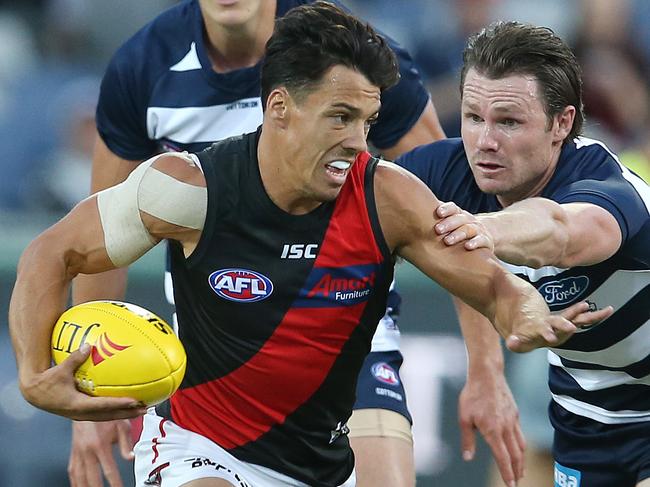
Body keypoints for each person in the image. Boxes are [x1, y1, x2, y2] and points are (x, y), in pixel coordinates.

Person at [9, 4, 580, 487]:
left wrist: (523, 315)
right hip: (200, 447)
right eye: (340, 118)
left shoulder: (389, 196)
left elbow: (493, 286)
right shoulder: (187, 189)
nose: (359, 142)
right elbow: (51, 253)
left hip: (324, 458)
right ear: (279, 107)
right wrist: (37, 375)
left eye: (366, 121)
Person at [396, 20, 649, 487]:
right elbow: (349, 205)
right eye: (473, 118)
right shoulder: (448, 173)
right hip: (585, 417)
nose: (485, 141)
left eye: (509, 122)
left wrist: (482, 228)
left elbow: (561, 230)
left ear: (562, 123)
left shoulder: (609, 189)